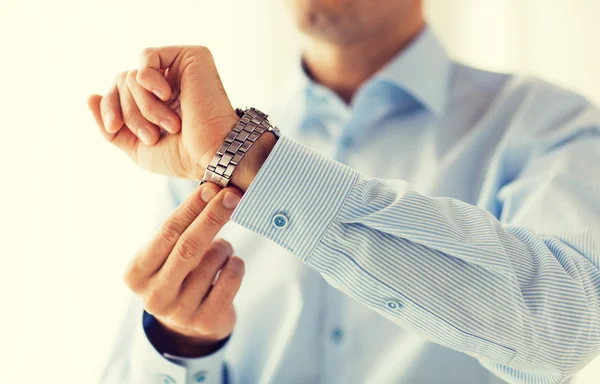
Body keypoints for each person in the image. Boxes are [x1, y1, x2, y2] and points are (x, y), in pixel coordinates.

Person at [88, 0, 600, 383]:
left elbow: (565, 326)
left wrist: (253, 161)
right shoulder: (195, 143)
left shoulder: (549, 123)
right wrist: (184, 344)